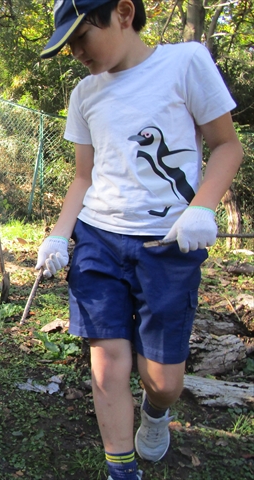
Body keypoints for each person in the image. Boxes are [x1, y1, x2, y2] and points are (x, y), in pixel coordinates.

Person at [36, 1, 243, 479]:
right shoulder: (85, 94)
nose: (76, 53)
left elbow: (227, 145)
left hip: (168, 247)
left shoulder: (185, 62)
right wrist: (58, 236)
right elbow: (83, 177)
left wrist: (203, 207)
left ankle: (156, 413)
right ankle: (121, 469)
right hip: (98, 241)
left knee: (163, 381)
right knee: (107, 363)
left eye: (81, 37)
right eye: (67, 46)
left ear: (123, 13)